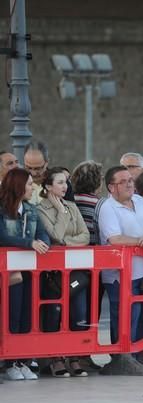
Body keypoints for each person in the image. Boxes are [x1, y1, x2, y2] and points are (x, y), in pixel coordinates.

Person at [36, 167, 92, 376]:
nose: (65, 186)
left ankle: (74, 356)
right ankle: (55, 358)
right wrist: (60, 214)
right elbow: (54, 236)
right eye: (60, 182)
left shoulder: (72, 206)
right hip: (54, 273)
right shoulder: (40, 209)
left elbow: (84, 236)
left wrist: (66, 243)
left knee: (78, 312)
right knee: (54, 313)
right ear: (48, 187)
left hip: (75, 271)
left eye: (66, 182)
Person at [98, 166, 143, 345]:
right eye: (123, 181)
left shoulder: (139, 200)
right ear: (111, 187)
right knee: (125, 316)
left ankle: (139, 355)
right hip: (120, 275)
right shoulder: (108, 208)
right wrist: (142, 241)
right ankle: (122, 356)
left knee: (142, 315)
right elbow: (115, 239)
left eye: (130, 180)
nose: (129, 184)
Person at [0, 168, 49, 380]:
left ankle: (22, 360)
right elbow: (2, 237)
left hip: (28, 272)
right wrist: (28, 243)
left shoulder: (31, 210)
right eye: (29, 184)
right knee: (10, 314)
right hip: (7, 273)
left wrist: (43, 243)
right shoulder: (2, 210)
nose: (33, 188)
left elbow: (43, 234)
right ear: (19, 186)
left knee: (26, 315)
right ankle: (9, 361)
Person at [71, 161, 103, 245]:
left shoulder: (68, 201)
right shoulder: (101, 204)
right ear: (97, 181)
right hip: (94, 251)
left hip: (70, 250)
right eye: (101, 178)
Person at [23, 140, 49, 205]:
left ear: (46, 163)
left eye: (38, 168)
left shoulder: (60, 182)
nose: (33, 173)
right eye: (28, 168)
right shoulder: (15, 183)